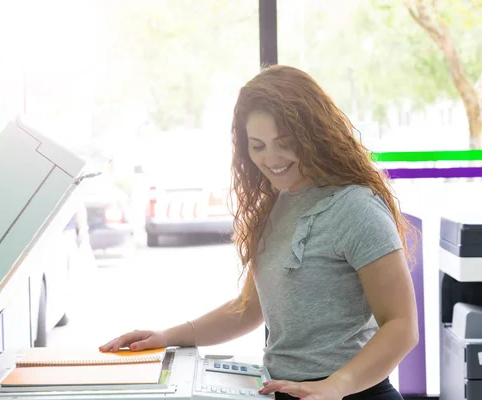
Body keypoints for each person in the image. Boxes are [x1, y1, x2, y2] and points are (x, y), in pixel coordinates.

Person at [100, 65, 419, 400]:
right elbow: (249, 308)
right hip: (287, 389)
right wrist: (167, 336)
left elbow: (401, 326)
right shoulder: (277, 203)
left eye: (284, 143)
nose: (271, 158)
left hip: (351, 394)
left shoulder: (356, 207)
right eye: (258, 145)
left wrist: (335, 386)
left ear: (314, 134)